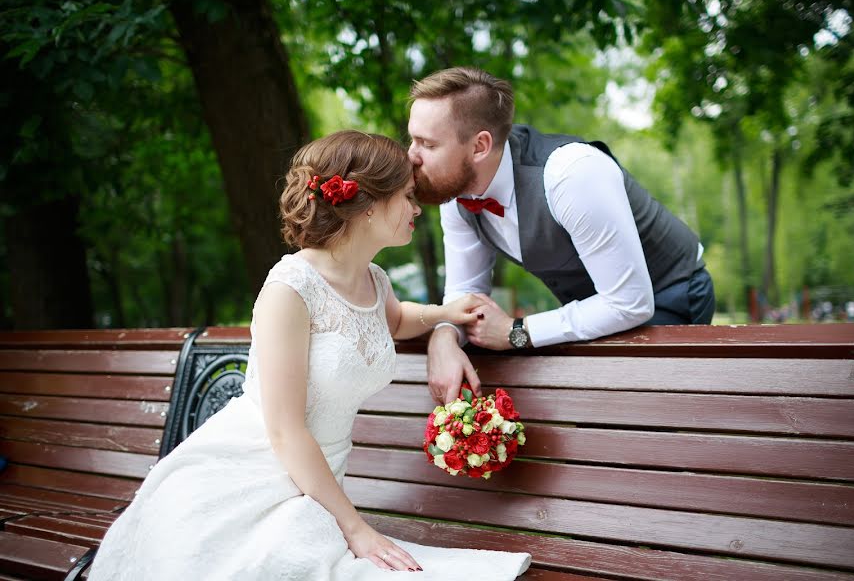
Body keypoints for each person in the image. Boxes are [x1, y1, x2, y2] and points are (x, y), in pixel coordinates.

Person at [89, 131, 531, 580]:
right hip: (253, 471)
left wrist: (445, 314)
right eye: (407, 197)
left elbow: (393, 320)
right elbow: (284, 431)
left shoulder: (373, 279)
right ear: (369, 204)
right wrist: (356, 528)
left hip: (320, 478)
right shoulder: (289, 290)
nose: (417, 209)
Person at [407, 67, 715, 405]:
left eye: (428, 143)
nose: (411, 155)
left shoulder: (570, 175)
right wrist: (444, 336)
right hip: (594, 314)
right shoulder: (457, 193)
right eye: (412, 139)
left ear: (480, 145)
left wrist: (517, 332)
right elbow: (465, 291)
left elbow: (630, 303)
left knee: (627, 417)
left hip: (668, 294)